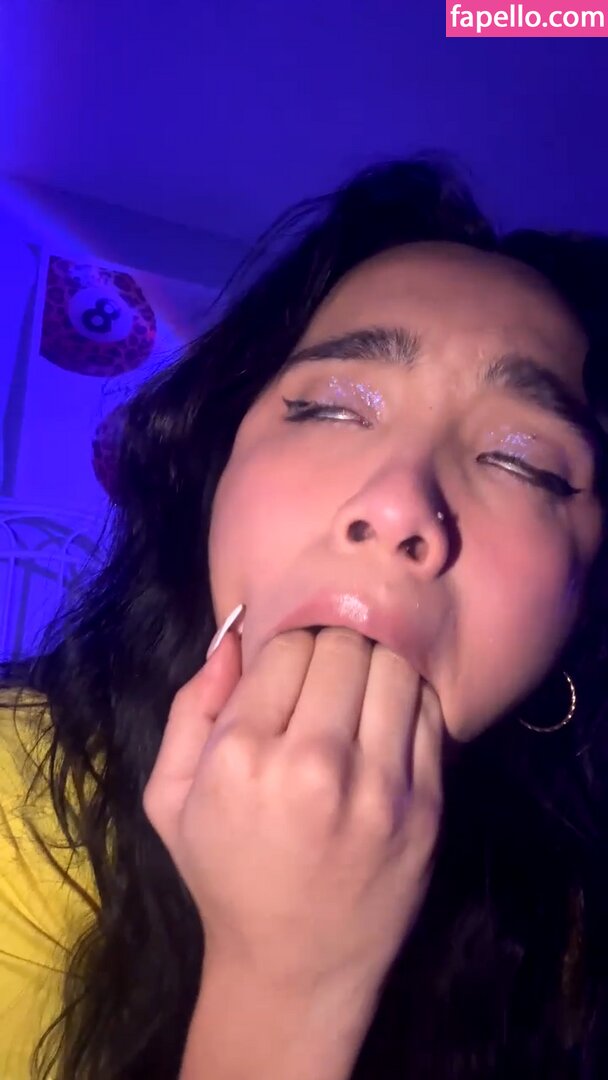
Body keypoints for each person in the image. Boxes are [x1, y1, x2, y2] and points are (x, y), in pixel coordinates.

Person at [2, 155, 608, 1080]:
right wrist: (284, 984)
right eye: (330, 409)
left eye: (523, 461)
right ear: (215, 474)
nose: (398, 506)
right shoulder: (16, 807)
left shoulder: (572, 931)